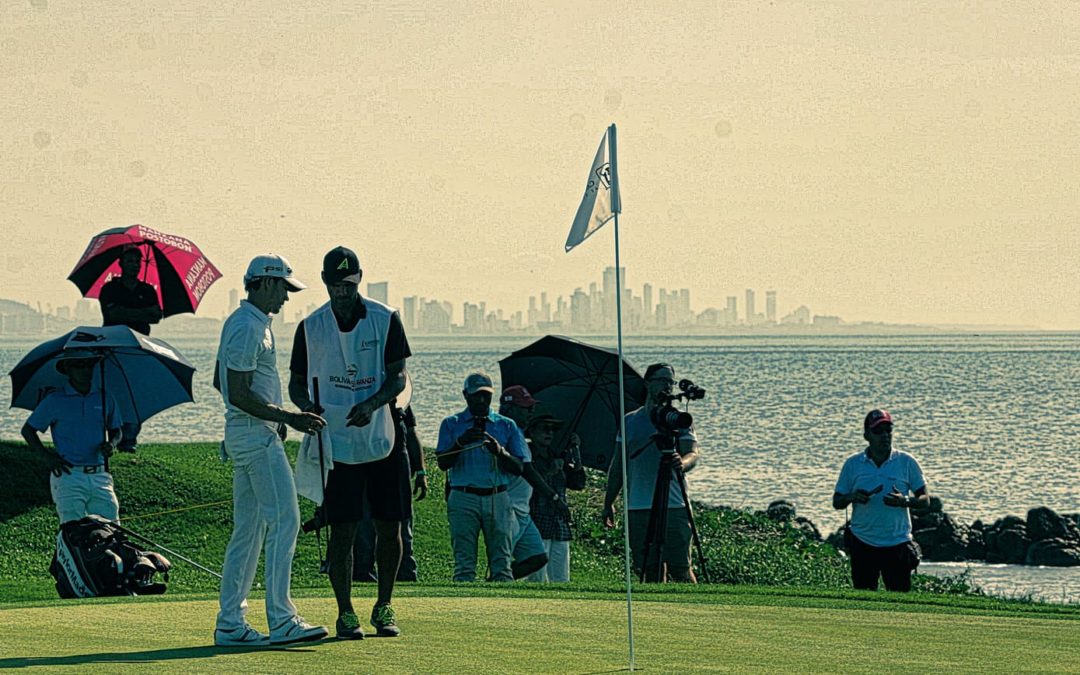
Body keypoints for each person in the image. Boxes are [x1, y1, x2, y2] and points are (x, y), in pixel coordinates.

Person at [288, 246, 412, 639]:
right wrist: (307, 408)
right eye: (334, 284)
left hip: (381, 437)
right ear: (324, 282)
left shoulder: (384, 318)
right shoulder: (310, 327)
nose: (341, 291)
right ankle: (345, 611)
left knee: (389, 525)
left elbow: (398, 378)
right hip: (336, 441)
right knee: (342, 529)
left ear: (359, 280)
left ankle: (384, 605)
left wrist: (374, 404)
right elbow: (295, 384)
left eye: (348, 284)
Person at [214, 253, 328, 648]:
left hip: (249, 432)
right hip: (254, 435)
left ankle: (230, 623)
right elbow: (239, 391)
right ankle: (281, 619)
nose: (286, 297)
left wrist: (269, 416)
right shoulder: (248, 327)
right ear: (263, 282)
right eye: (282, 287)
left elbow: (223, 383)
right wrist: (287, 417)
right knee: (286, 520)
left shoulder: (247, 323)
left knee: (250, 529)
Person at [601, 363, 701, 583]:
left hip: (674, 504)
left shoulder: (678, 419)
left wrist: (681, 463)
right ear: (647, 383)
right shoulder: (630, 421)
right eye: (661, 380)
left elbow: (692, 453)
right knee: (649, 568)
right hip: (638, 505)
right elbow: (618, 465)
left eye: (670, 382)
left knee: (680, 568)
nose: (666, 386)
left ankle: (696, 609)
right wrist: (609, 502)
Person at [436, 372, 527, 582]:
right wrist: (461, 442)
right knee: (464, 564)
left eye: (486, 395)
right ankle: (462, 607)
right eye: (476, 395)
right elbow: (443, 463)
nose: (481, 400)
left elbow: (518, 467)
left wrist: (500, 452)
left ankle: (503, 607)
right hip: (463, 495)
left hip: (497, 496)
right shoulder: (452, 423)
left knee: (502, 563)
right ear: (465, 395)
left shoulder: (506, 425)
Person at [21, 349, 123, 524]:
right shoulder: (54, 399)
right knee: (72, 531)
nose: (84, 370)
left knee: (112, 529)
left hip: (100, 474)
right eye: (78, 365)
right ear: (67, 369)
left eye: (88, 365)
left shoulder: (105, 397)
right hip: (69, 476)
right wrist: (48, 457)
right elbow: (28, 430)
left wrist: (112, 444)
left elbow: (117, 430)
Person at [833, 409, 929, 592]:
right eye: (878, 431)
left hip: (897, 543)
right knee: (863, 600)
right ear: (867, 435)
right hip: (863, 543)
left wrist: (905, 501)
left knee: (900, 603)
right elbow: (837, 502)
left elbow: (925, 500)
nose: (885, 436)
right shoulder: (853, 464)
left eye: (888, 430)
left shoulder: (906, 462)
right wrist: (853, 497)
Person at [353, 404, 428, 583]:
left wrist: (421, 471)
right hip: (362, 473)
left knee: (401, 532)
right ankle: (364, 577)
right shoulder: (358, 399)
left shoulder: (401, 401)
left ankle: (406, 578)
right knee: (364, 533)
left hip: (396, 473)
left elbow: (411, 434)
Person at [99, 245, 163, 451]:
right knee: (113, 393)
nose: (134, 265)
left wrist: (128, 312)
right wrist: (141, 313)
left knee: (135, 393)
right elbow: (114, 315)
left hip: (139, 348)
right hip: (113, 348)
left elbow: (156, 316)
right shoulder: (109, 289)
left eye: (138, 261)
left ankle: (129, 440)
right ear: (121, 264)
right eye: (130, 261)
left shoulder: (148, 290)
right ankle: (113, 438)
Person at [524, 405, 586, 582]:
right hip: (537, 521)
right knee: (536, 579)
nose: (549, 433)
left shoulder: (556, 456)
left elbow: (578, 483)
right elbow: (532, 481)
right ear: (533, 431)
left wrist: (576, 452)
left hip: (559, 525)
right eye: (545, 428)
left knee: (561, 578)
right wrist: (550, 471)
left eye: (553, 429)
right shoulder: (528, 455)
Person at [497, 385, 551, 580]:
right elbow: (527, 470)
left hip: (522, 511)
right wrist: (551, 496)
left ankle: (498, 580)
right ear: (510, 408)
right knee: (500, 560)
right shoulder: (505, 431)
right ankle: (495, 584)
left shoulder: (518, 433)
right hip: (509, 508)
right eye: (526, 408)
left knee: (538, 557)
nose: (531, 412)